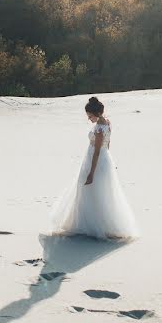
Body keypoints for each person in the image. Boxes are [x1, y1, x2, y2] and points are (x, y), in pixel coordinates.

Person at [48, 97, 139, 240]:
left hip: (94, 161)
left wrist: (91, 172)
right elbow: (107, 145)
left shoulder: (99, 129)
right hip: (104, 160)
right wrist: (107, 158)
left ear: (96, 113)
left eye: (90, 116)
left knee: (90, 190)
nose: (89, 119)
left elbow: (96, 151)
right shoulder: (107, 123)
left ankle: (89, 225)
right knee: (101, 192)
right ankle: (93, 224)